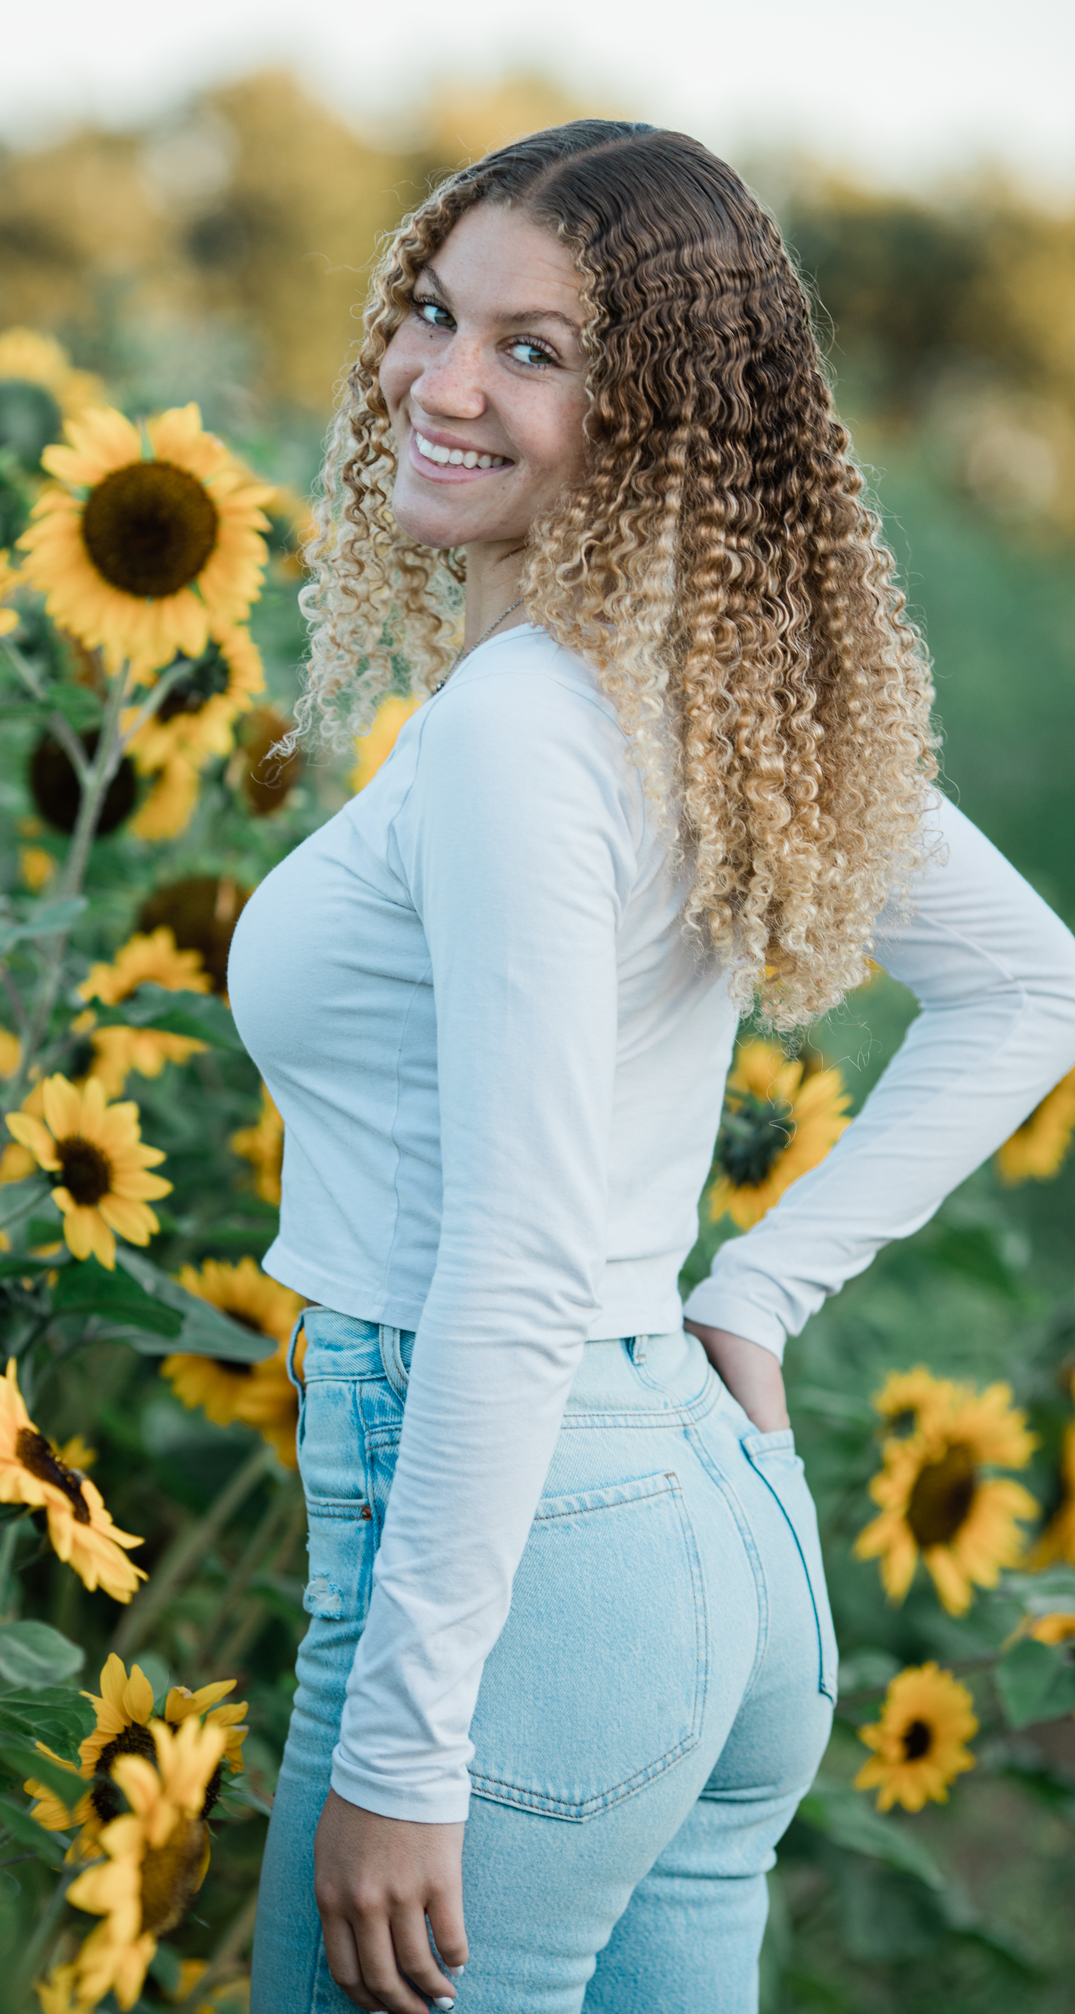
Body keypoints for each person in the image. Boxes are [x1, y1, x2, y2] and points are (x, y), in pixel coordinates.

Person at [227, 121, 1075, 2014]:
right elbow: (1039, 984)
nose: (442, 384)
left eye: (536, 350)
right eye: (436, 314)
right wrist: (748, 1298)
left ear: (659, 409)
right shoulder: (690, 680)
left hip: (517, 1579)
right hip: (698, 1528)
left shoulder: (530, 727)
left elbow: (517, 1256)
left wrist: (406, 1746)